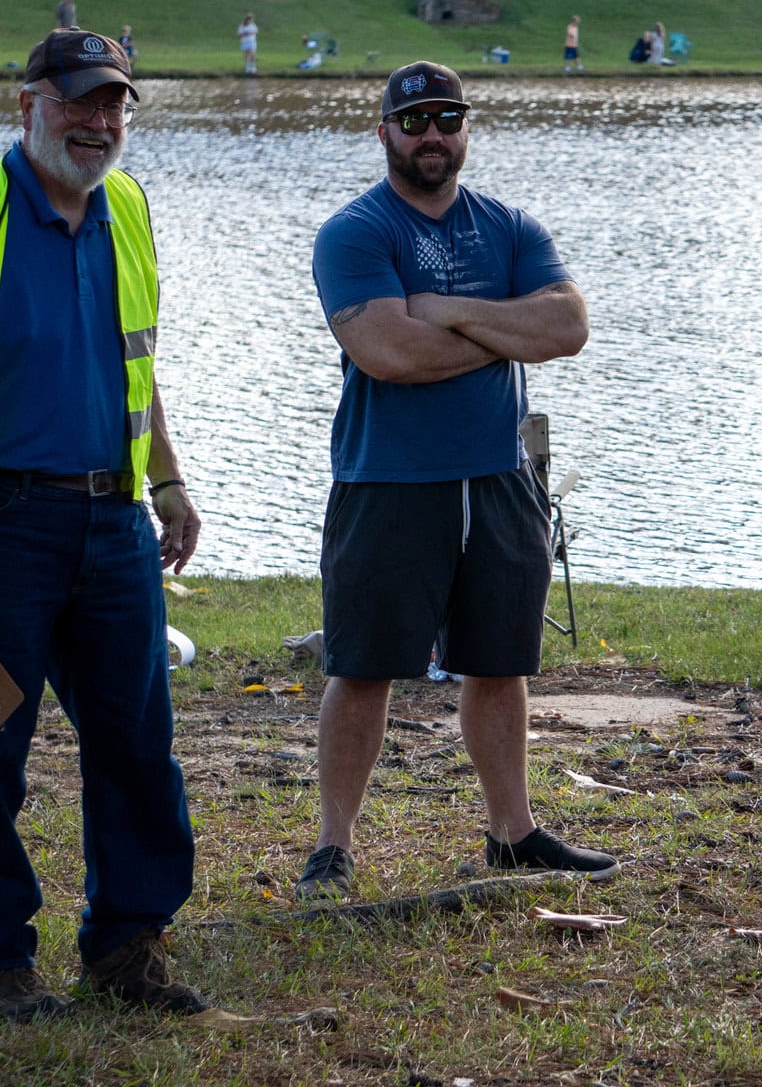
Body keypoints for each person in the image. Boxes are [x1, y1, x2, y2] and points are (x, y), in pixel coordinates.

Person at [0, 28, 209, 1022]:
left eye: (113, 103)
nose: (97, 121)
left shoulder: (128, 207)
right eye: (77, 101)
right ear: (27, 104)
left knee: (137, 744)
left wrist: (168, 480)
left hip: (112, 523)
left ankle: (127, 947)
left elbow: (136, 362)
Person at [299, 61, 613, 901]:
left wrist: (444, 310)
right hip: (387, 480)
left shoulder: (509, 226)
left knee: (499, 663)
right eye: (413, 122)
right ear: (384, 133)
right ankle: (333, 847)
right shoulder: (354, 233)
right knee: (363, 668)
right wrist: (506, 331)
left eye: (447, 118)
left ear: (466, 129)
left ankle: (513, 834)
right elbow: (388, 352)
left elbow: (568, 327)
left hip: (500, 478)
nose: (431, 135)